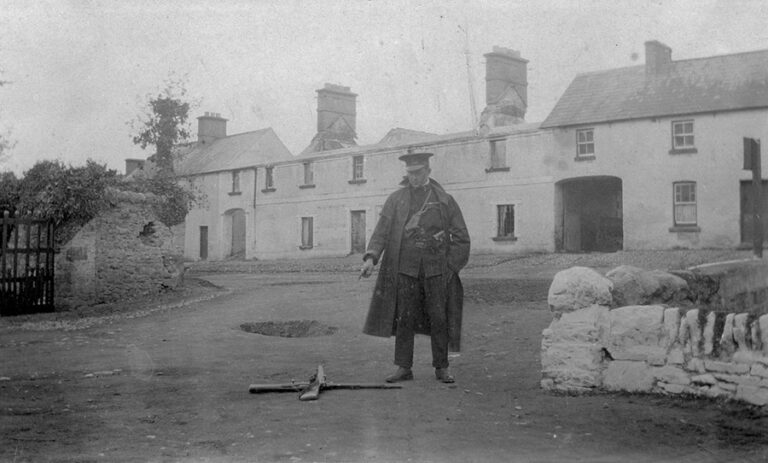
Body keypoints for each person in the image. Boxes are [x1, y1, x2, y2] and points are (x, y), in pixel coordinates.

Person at [360, 152, 470, 383]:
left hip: (436, 270)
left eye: (418, 173)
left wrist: (450, 268)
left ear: (428, 171)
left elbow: (461, 237)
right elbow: (382, 231)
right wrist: (371, 258)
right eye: (410, 173)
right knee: (404, 317)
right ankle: (403, 367)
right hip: (405, 268)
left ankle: (441, 367)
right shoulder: (396, 199)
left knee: (439, 317)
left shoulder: (445, 200)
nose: (414, 178)